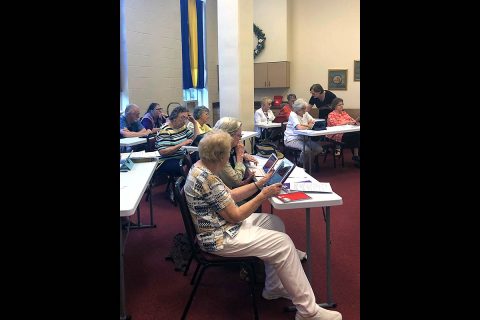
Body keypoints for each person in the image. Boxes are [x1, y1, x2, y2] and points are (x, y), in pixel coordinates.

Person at [184, 130, 342, 320]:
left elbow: (231, 196)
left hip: (220, 226)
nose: (230, 156)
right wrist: (263, 195)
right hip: (219, 237)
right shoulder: (207, 178)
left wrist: (261, 184)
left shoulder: (201, 167)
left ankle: (274, 288)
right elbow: (235, 216)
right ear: (219, 155)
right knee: (282, 243)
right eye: (229, 153)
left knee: (273, 222)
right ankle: (308, 312)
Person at [213, 117, 259, 189]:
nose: (240, 139)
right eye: (239, 136)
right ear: (228, 136)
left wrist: (244, 155)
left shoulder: (226, 147)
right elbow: (236, 181)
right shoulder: (219, 154)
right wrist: (240, 156)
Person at [155, 105, 200, 177]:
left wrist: (194, 123)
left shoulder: (183, 127)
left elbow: (196, 139)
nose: (185, 121)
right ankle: (186, 185)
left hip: (182, 157)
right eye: (182, 117)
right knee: (190, 167)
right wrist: (181, 145)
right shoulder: (165, 130)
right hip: (168, 160)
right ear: (174, 118)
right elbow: (162, 152)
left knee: (202, 157)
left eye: (186, 118)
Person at [284, 98, 324, 169]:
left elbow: (313, 122)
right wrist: (308, 125)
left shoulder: (305, 113)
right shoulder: (293, 115)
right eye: (303, 108)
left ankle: (303, 162)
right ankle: (300, 164)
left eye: (305, 108)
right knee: (307, 150)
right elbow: (299, 127)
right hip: (292, 139)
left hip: (304, 138)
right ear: (297, 109)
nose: (305, 110)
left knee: (319, 149)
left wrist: (307, 125)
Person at [326, 97, 360, 164]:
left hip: (346, 132)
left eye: (342, 104)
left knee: (357, 136)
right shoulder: (331, 115)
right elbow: (335, 124)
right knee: (355, 137)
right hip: (335, 134)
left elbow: (352, 120)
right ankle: (355, 157)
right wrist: (347, 122)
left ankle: (356, 156)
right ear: (335, 106)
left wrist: (355, 121)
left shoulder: (344, 113)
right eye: (339, 105)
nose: (341, 106)